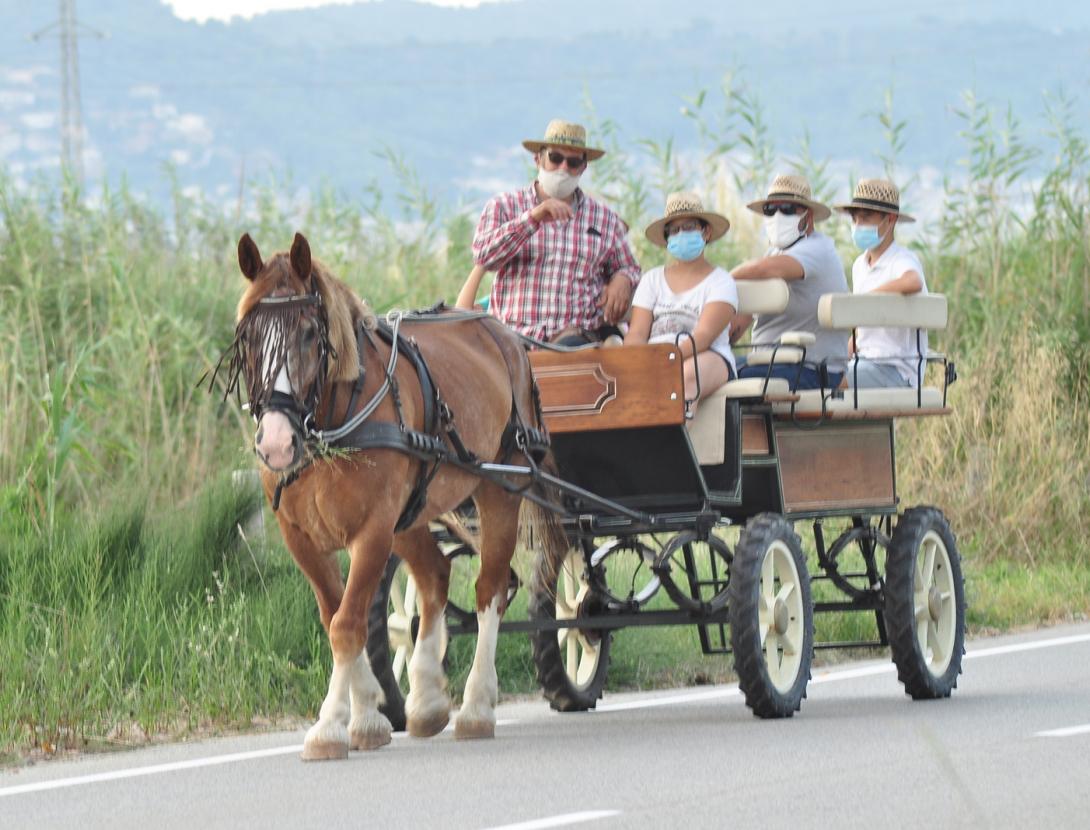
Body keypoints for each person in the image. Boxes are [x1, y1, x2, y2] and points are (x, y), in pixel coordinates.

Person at [471, 119, 640, 345]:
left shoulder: (604, 218)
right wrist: (532, 218)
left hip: (575, 336)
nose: (563, 168)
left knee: (578, 349)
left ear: (583, 167)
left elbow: (629, 266)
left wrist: (622, 279)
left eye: (572, 162)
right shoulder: (504, 206)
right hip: (513, 337)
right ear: (538, 159)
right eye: (555, 158)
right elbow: (483, 256)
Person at [730, 174, 848, 390]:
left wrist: (715, 282)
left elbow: (762, 269)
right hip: (773, 362)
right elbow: (746, 314)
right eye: (770, 210)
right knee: (708, 370)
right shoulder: (775, 252)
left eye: (786, 209)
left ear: (808, 216)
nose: (777, 216)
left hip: (812, 368)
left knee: (723, 375)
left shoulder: (816, 249)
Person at [625, 192, 737, 401]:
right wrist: (635, 361)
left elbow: (703, 337)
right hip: (654, 358)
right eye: (674, 230)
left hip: (706, 356)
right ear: (667, 240)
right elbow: (637, 333)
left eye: (688, 227)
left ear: (706, 232)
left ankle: (676, 433)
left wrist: (665, 360)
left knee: (686, 376)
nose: (681, 234)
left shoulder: (721, 281)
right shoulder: (652, 279)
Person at [834, 178, 929, 388]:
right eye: (855, 219)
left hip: (896, 368)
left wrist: (869, 299)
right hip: (865, 362)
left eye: (866, 218)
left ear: (890, 219)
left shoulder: (901, 260)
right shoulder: (860, 265)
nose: (858, 226)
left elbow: (913, 281)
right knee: (818, 376)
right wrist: (837, 358)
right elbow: (863, 334)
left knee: (833, 383)